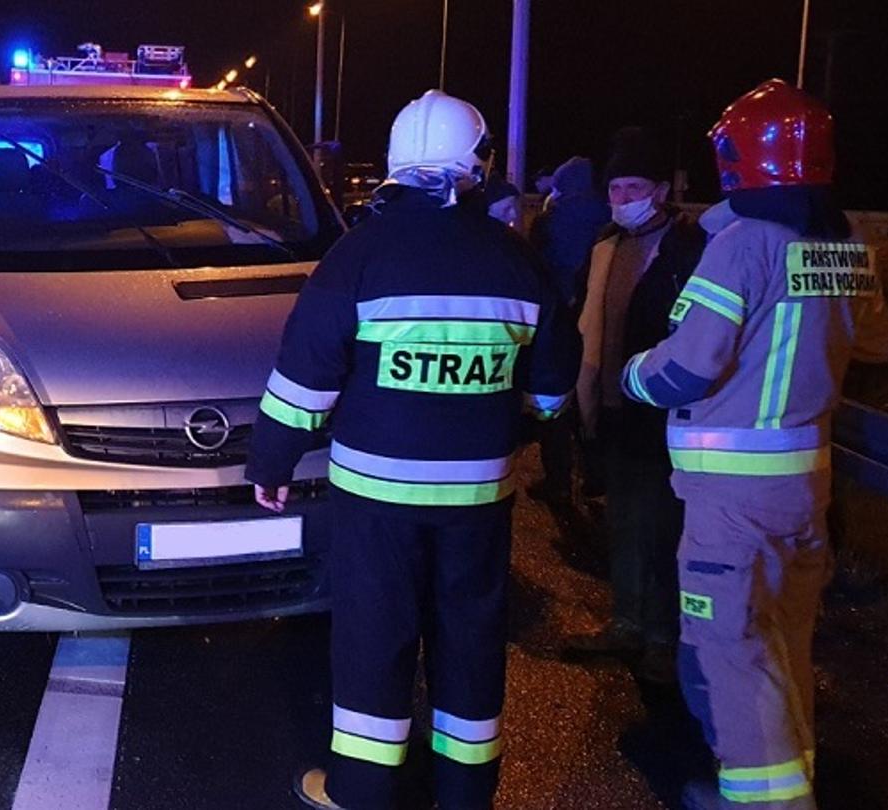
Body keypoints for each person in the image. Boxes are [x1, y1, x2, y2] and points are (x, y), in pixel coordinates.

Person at [249, 90, 578, 810]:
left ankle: (363, 790)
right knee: (470, 637)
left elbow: (304, 375)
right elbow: (553, 390)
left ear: (397, 164)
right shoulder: (516, 262)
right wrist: (507, 420)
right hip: (477, 503)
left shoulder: (358, 257)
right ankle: (464, 795)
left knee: (375, 636)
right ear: (477, 164)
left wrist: (271, 463)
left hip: (376, 500)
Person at [620, 79, 888, 809]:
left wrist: (631, 377)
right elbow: (875, 343)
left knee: (732, 651)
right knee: (785, 642)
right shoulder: (847, 246)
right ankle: (790, 778)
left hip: (731, 500)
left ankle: (765, 802)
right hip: (806, 490)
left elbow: (686, 366)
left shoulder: (743, 244)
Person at [560, 128, 706, 682]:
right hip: (615, 405)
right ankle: (626, 622)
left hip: (666, 411)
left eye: (633, 187)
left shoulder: (687, 249)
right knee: (623, 520)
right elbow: (584, 319)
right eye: (615, 189)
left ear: (662, 190)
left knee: (666, 527)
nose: (622, 199)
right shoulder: (606, 246)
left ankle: (663, 638)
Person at [528, 156, 613, 504]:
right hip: (598, 318)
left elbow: (535, 269)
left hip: (559, 318)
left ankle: (558, 480)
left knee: (559, 403)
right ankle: (595, 477)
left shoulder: (550, 220)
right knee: (594, 399)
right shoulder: (609, 218)